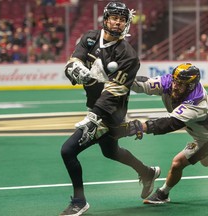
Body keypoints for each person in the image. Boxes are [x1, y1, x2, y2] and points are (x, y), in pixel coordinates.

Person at [60, 2, 160, 215]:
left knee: (68, 151)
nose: (117, 22)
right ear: (105, 19)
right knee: (110, 151)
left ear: (126, 24)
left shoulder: (129, 56)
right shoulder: (90, 37)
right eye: (114, 18)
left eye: (122, 19)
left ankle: (79, 201)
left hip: (110, 113)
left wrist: (93, 118)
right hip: (96, 107)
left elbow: (114, 92)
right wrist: (76, 70)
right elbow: (74, 60)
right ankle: (148, 172)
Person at [128, 63, 208, 204]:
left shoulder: (196, 103)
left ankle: (163, 194)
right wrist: (124, 80)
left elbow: (171, 123)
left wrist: (143, 126)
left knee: (177, 163)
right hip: (200, 130)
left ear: (190, 86)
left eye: (181, 84)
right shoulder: (169, 83)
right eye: (175, 81)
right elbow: (142, 84)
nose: (175, 86)